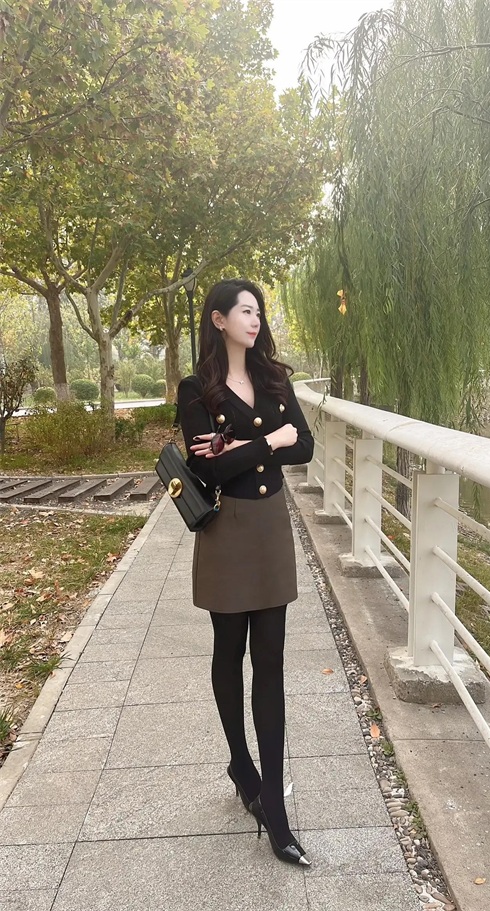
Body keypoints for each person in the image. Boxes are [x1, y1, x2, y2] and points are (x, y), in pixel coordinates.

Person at [177, 278, 314, 866]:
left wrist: (239, 447)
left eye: (259, 311)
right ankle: (240, 762)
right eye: (245, 311)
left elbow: (305, 446)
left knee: (272, 663)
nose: (255, 320)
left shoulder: (275, 379)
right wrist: (270, 439)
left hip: (270, 527)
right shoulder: (196, 390)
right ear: (218, 319)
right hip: (227, 531)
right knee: (229, 649)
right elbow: (208, 473)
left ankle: (274, 808)